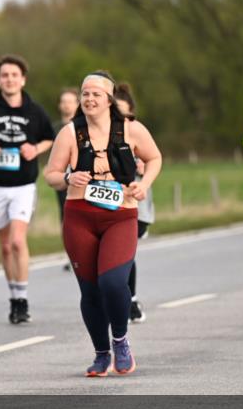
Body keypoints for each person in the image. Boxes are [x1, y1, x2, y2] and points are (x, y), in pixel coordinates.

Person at [44, 71, 162, 377]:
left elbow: (155, 158)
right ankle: (100, 354)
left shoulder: (131, 128)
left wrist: (144, 183)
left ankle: (121, 341)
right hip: (79, 216)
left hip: (121, 214)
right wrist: (69, 177)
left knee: (113, 283)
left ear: (109, 100)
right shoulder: (70, 133)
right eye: (85, 94)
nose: (89, 99)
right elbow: (51, 175)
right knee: (91, 291)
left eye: (96, 94)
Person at [0, 54, 56, 324]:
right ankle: (13, 297)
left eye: (14, 75)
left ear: (23, 79)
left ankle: (23, 299)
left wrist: (35, 149)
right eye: (5, 75)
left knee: (18, 241)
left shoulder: (35, 110)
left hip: (23, 184)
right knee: (5, 246)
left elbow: (49, 138)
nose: (9, 79)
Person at [113, 84, 155, 323]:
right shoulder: (99, 136)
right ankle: (119, 299)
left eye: (125, 114)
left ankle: (130, 299)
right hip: (108, 204)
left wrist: (142, 169)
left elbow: (154, 159)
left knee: (125, 255)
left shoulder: (138, 134)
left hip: (136, 206)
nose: (121, 119)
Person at [55, 88, 80, 271]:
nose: (66, 105)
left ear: (77, 104)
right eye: (63, 101)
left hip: (81, 178)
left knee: (81, 214)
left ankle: (82, 253)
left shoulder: (82, 125)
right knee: (65, 216)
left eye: (70, 101)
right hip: (62, 179)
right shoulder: (55, 128)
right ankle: (69, 255)